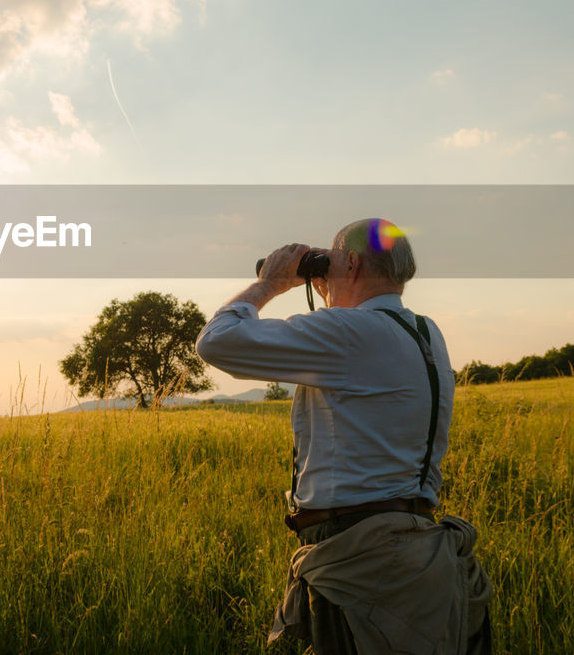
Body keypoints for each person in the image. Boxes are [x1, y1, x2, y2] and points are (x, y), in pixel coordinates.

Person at [194, 218, 492, 655]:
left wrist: (271, 284)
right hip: (417, 550)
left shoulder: (350, 334)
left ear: (351, 264)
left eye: (331, 262)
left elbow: (216, 341)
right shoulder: (427, 333)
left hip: (362, 560)